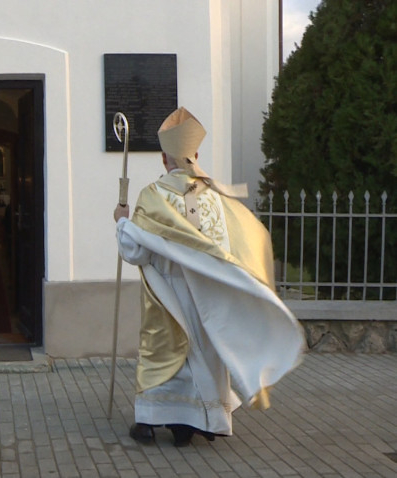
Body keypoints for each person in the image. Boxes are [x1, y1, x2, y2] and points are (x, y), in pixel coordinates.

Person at [113, 107, 305, 447]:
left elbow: (135, 253)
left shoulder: (152, 196)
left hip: (167, 291)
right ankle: (198, 421)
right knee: (203, 352)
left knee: (162, 351)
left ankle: (149, 421)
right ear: (196, 155)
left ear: (164, 158)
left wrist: (121, 222)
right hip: (206, 293)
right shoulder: (216, 198)